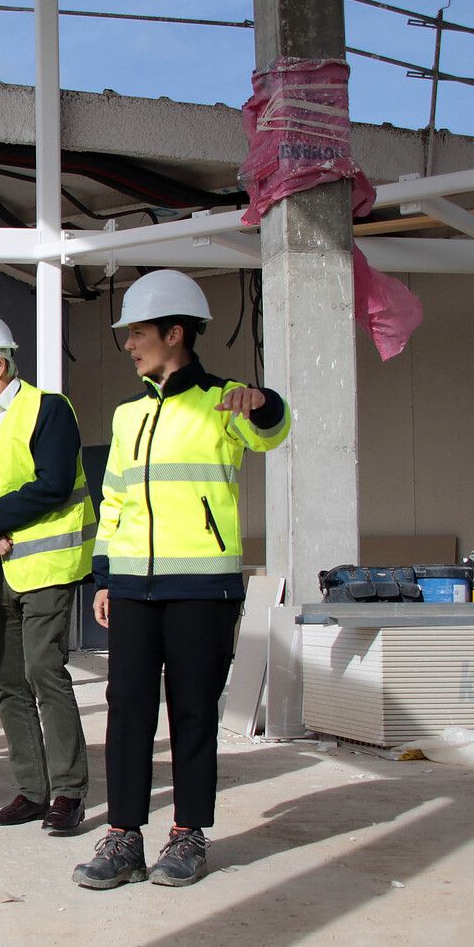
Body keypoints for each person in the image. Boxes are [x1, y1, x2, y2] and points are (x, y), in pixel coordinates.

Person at [71, 269, 289, 891]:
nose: (129, 344)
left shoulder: (224, 402)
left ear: (175, 332)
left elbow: (271, 432)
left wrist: (264, 401)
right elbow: (112, 500)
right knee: (127, 710)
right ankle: (124, 836)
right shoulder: (126, 415)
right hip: (134, 588)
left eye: (137, 332)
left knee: (192, 711)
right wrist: (107, 577)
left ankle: (188, 833)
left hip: (203, 587)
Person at [0, 312, 95, 835]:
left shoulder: (49, 410)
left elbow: (52, 484)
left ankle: (69, 792)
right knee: (8, 683)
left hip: (47, 567)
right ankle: (33, 791)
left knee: (44, 673)